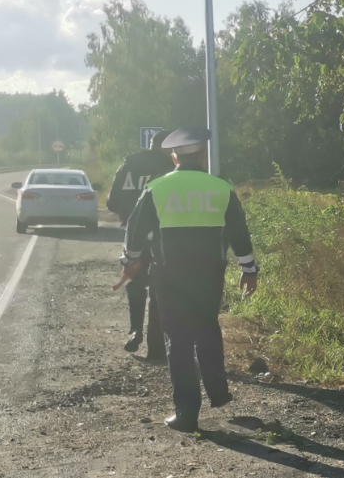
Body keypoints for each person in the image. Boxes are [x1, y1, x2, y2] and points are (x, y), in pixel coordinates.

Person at [121, 128, 259, 433]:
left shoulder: (157, 188)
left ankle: (186, 413)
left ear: (173, 157)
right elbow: (239, 232)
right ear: (202, 155)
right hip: (209, 273)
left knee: (178, 339)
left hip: (169, 275)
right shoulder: (221, 188)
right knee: (208, 326)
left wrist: (129, 261)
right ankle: (219, 392)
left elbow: (135, 229)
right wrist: (249, 270)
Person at [106, 131, 172, 357]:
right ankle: (157, 345)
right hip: (163, 235)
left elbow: (112, 202)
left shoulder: (128, 165)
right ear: (167, 147)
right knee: (159, 288)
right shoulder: (170, 168)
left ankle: (135, 331)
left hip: (133, 236)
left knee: (135, 281)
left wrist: (129, 213)